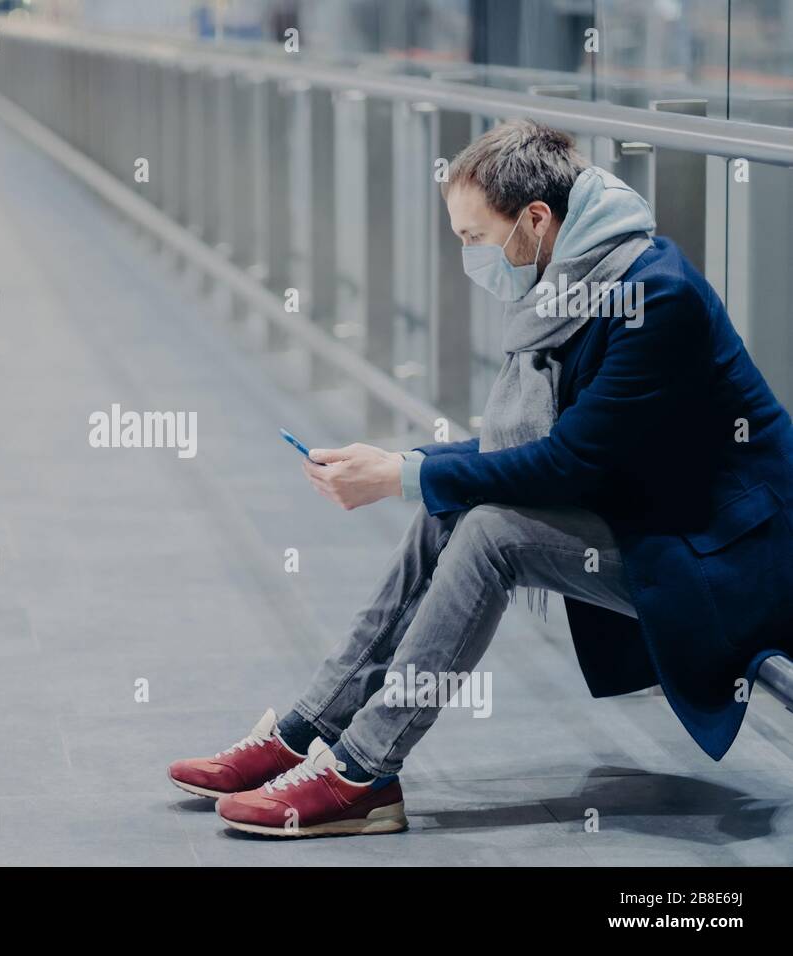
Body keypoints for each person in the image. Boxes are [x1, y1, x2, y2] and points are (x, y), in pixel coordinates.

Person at [168, 120, 793, 838]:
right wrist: (404, 464)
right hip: (654, 516)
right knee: (449, 512)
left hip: (723, 556)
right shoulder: (577, 280)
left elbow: (570, 463)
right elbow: (541, 450)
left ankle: (363, 773)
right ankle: (310, 730)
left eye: (473, 237)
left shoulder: (651, 297)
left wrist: (401, 476)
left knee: (491, 531)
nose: (467, 255)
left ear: (536, 219)